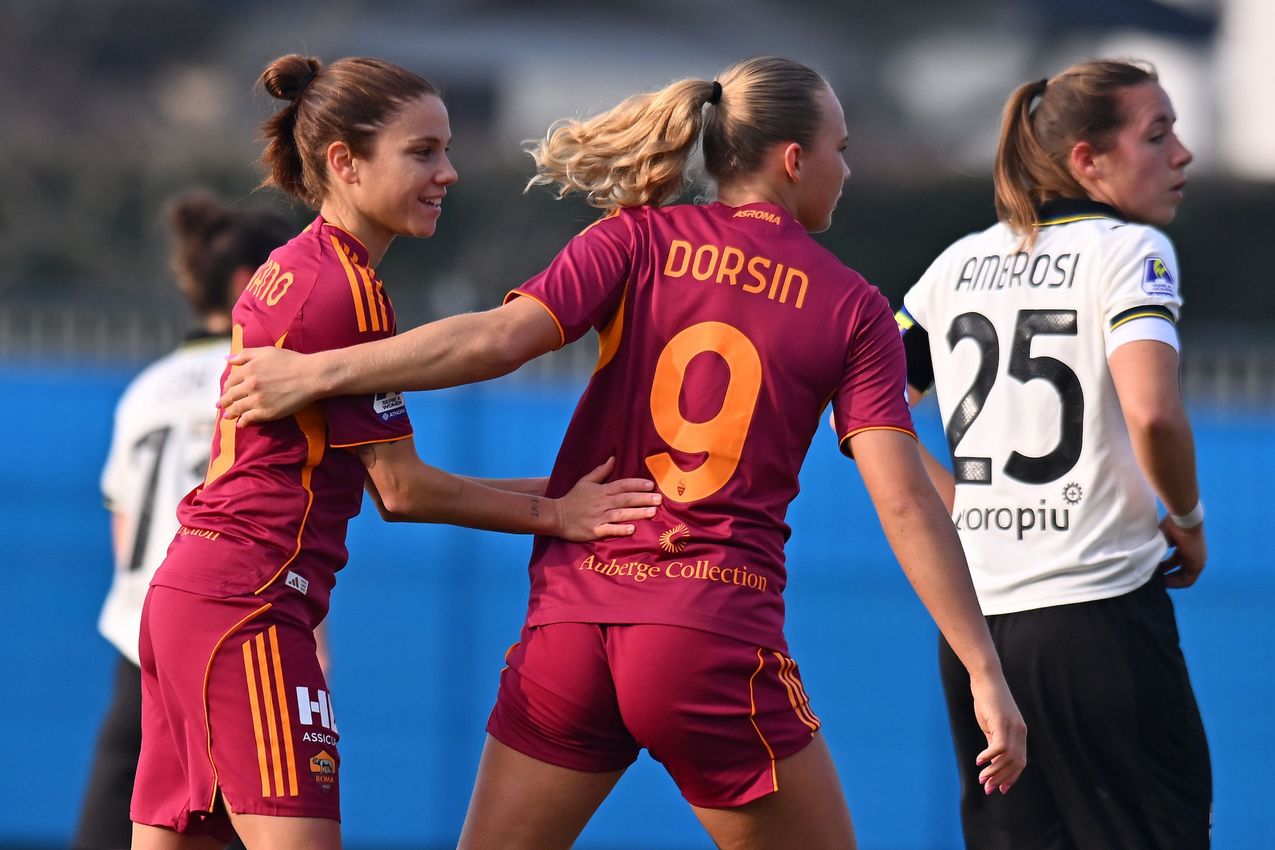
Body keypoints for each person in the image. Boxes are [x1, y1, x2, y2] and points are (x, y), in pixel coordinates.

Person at [217, 56, 1026, 850]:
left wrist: (320, 370)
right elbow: (901, 499)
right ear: (792, 160)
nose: (844, 170)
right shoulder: (851, 306)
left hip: (570, 631)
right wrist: (983, 672)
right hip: (707, 630)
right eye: (839, 150)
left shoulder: (634, 238)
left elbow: (498, 340)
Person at [129, 54, 660, 850]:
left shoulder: (297, 264)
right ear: (343, 162)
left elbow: (383, 482)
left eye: (445, 149)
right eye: (421, 152)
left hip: (193, 595)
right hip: (249, 603)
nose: (446, 172)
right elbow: (403, 492)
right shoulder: (343, 289)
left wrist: (566, 492)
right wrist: (558, 513)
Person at [894, 59, 1210, 848]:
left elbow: (860, 414)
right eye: (1157, 134)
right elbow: (1154, 415)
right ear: (1086, 161)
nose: (1182, 155)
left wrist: (962, 501)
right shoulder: (1129, 250)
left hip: (980, 640)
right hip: (1098, 621)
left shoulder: (953, 265)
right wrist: (1188, 515)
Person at [73, 190, 292, 850]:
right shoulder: (263, 379)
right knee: (250, 817)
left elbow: (124, 530)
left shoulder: (145, 388)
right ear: (246, 284)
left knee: (125, 817)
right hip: (225, 622)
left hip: (137, 632)